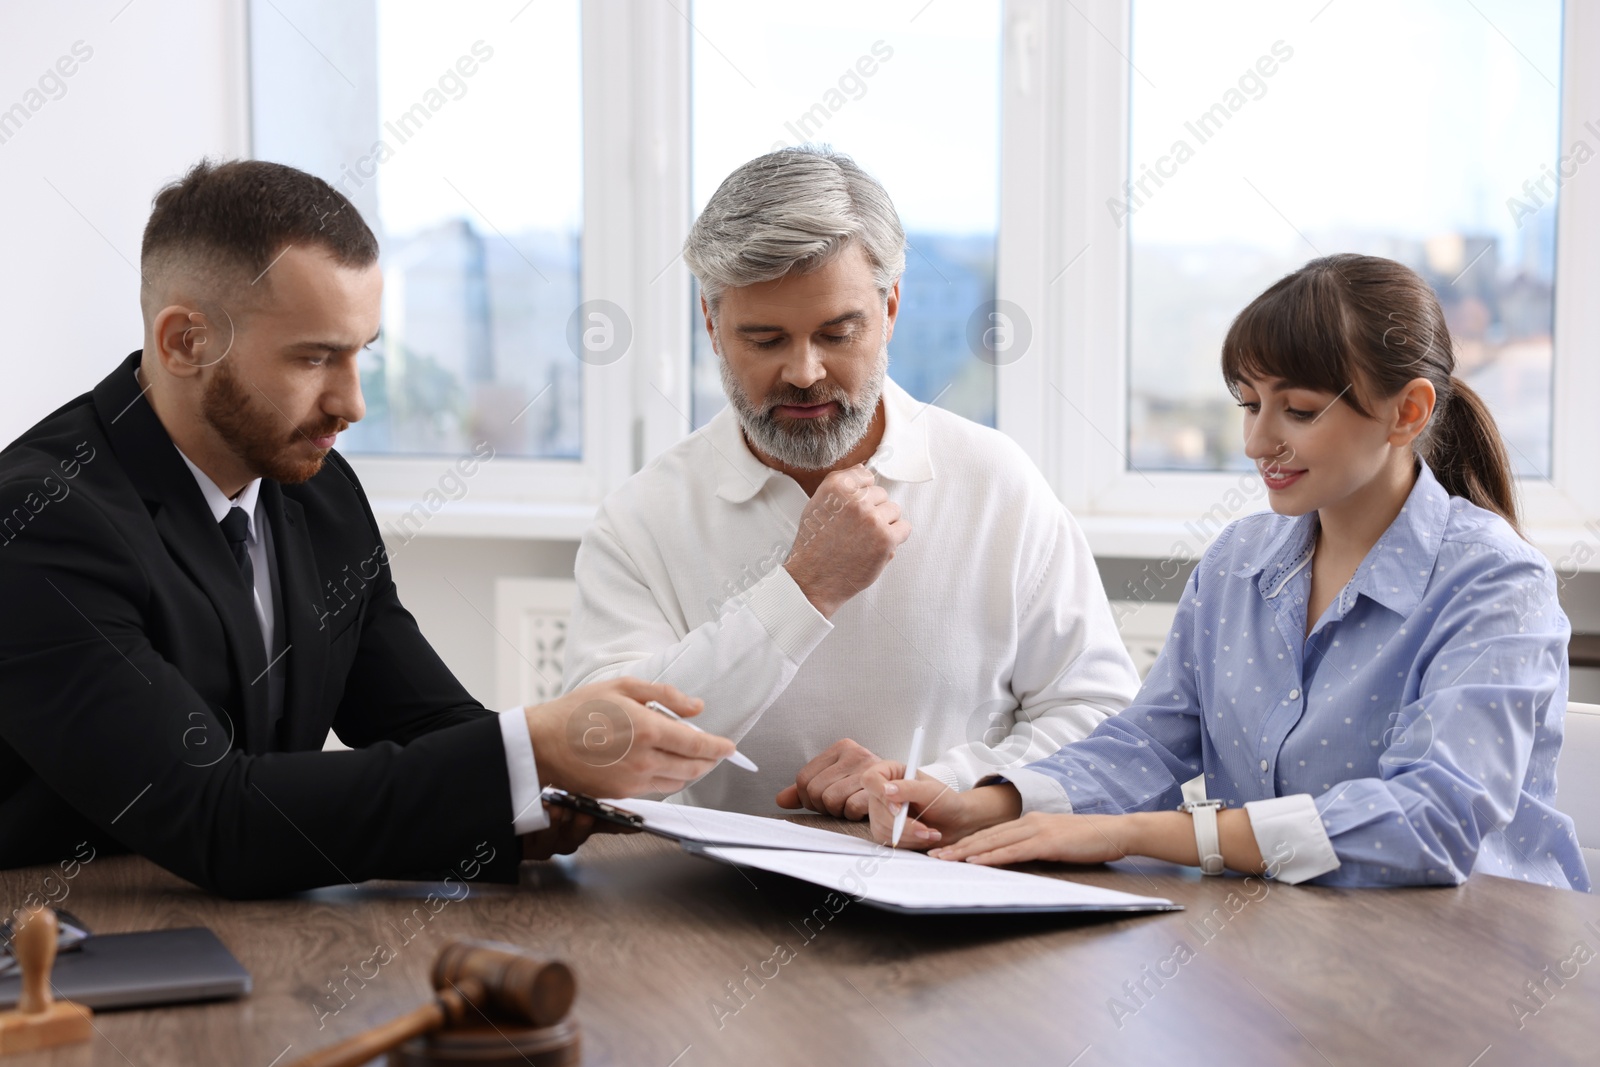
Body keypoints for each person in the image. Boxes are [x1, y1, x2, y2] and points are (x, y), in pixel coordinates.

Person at [0, 160, 733, 899]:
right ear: (186, 341)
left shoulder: (317, 491)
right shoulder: (39, 522)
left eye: (361, 353)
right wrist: (532, 747)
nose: (351, 402)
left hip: (241, 930)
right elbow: (216, 814)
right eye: (314, 357)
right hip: (61, 942)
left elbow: (426, 724)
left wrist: (545, 793)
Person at [862, 254, 1591, 891]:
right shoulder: (1239, 562)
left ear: (1407, 412)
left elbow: (1430, 820)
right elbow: (1148, 742)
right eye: (1249, 404)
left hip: (1472, 968)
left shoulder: (1495, 585)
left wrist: (1145, 834)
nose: (1257, 441)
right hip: (1289, 950)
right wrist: (991, 800)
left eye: (1298, 410)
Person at [563, 147, 1140, 817]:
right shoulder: (640, 520)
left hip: (953, 890)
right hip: (717, 904)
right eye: (765, 339)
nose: (805, 371)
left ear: (890, 308)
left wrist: (933, 783)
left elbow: (1103, 719)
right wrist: (805, 588)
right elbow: (599, 750)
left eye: (838, 332)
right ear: (712, 326)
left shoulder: (996, 482)